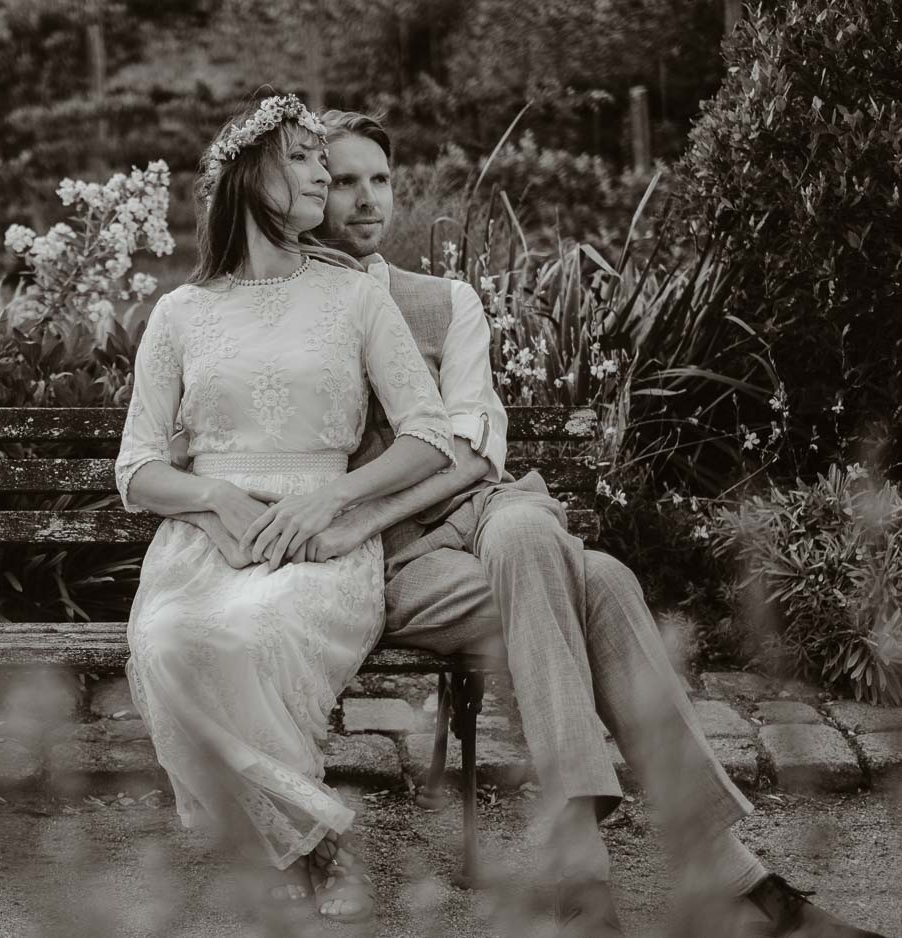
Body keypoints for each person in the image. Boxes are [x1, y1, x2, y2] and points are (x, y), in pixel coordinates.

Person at [179, 107, 887, 938]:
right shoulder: (289, 303)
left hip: (490, 515)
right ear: (298, 191)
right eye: (339, 181)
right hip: (399, 564)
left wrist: (382, 502)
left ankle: (582, 859)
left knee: (522, 533)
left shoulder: (445, 301)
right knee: (605, 580)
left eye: (380, 179)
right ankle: (727, 875)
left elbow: (477, 452)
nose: (366, 200)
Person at [114, 92, 457, 925]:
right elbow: (135, 469)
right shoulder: (181, 313)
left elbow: (432, 436)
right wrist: (214, 495)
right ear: (248, 173)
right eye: (301, 157)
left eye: (320, 158)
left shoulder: (353, 300)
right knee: (166, 639)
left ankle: (288, 838)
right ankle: (308, 834)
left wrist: (331, 497)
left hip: (322, 537)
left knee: (251, 634)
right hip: (204, 541)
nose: (322, 174)